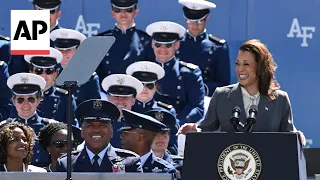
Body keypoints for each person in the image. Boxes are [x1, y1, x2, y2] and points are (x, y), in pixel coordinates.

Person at [177, 39, 306, 146]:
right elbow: (205, 129)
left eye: (246, 64)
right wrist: (195, 131)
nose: (240, 69)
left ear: (260, 67)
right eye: (237, 64)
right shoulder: (221, 95)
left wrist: (298, 136)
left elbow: (288, 136)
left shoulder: (280, 99)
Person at [56, 99, 142, 172]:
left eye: (103, 126)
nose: (96, 130)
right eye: (90, 125)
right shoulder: (66, 163)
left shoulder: (130, 162)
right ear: (82, 132)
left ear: (111, 132)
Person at [146, 21, 205, 125]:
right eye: (158, 44)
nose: (162, 49)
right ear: (152, 44)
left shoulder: (190, 73)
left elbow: (197, 108)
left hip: (179, 126)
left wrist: (177, 122)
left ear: (177, 45)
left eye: (168, 45)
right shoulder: (143, 71)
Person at [5, 72, 60, 167]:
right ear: (13, 102)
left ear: (39, 100)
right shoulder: (4, 127)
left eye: (31, 99)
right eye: (20, 100)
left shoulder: (51, 128)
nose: (25, 104)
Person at [177, 0, 230, 96]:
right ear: (185, 19)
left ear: (207, 18)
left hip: (206, 98)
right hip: (180, 97)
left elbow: (224, 84)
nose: (195, 25)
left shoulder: (218, 47)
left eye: (199, 21)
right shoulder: (176, 44)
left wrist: (202, 88)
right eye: (190, 21)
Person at [126, 61, 180, 154]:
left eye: (150, 85)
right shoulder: (125, 111)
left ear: (156, 87)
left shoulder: (167, 112)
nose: (145, 89)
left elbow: (173, 148)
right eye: (140, 84)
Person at [95, 0, 154, 84]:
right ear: (112, 13)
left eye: (128, 10)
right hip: (107, 93)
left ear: (136, 12)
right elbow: (96, 75)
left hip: (136, 94)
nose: (123, 14)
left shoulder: (147, 41)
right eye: (118, 10)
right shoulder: (100, 41)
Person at [22, 48, 78, 125]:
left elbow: (72, 129)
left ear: (55, 74)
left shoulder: (66, 98)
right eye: (39, 71)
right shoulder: (20, 96)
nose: (44, 75)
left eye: (49, 71)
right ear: (31, 73)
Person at [50, 28, 102, 105]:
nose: (64, 54)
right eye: (60, 50)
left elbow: (95, 110)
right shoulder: (50, 74)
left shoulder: (89, 79)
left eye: (68, 50)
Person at [119, 109, 176, 174]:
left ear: (140, 137)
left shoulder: (165, 171)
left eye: (126, 133)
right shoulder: (114, 163)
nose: (121, 136)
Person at [101, 74, 143, 148]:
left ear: (133, 100)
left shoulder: (141, 125)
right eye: (116, 97)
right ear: (108, 98)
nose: (120, 101)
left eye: (125, 97)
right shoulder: (98, 123)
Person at [145, 109, 183, 179]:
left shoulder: (181, 165)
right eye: (155, 133)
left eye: (164, 133)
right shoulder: (134, 164)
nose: (160, 137)